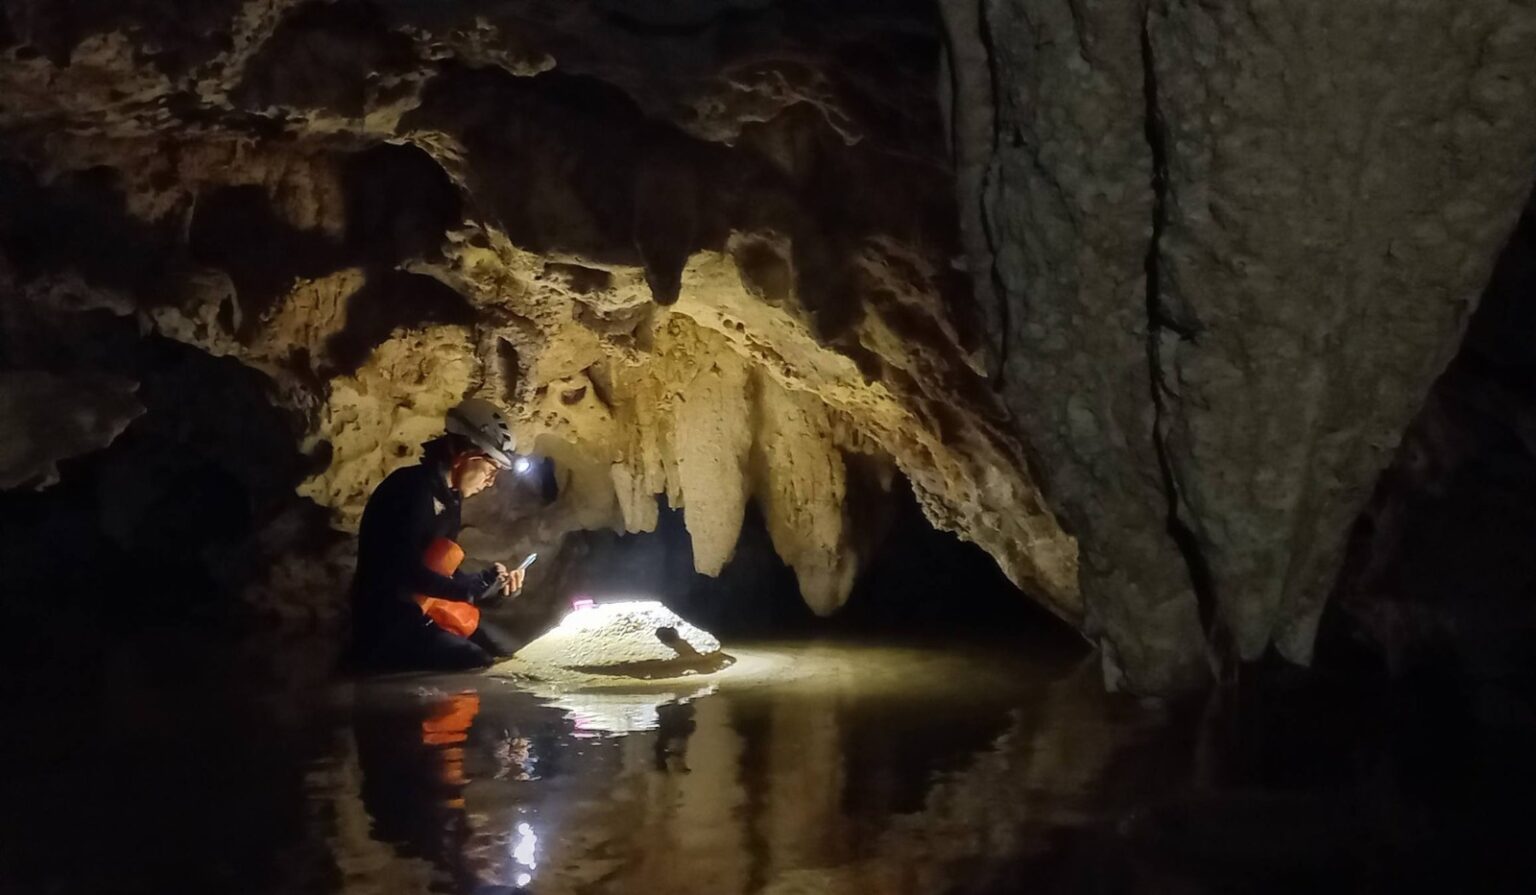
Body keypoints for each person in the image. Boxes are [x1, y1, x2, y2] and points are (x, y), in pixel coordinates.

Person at [349, 397, 528, 671]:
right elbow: (405, 572)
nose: (491, 481)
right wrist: (468, 591)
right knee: (475, 662)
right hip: (384, 628)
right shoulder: (410, 489)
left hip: (416, 617)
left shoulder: (449, 501)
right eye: (491, 470)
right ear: (466, 456)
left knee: (504, 648)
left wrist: (490, 587)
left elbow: (442, 575)